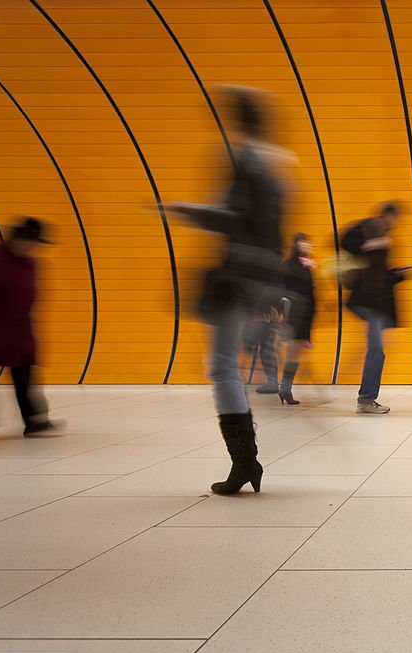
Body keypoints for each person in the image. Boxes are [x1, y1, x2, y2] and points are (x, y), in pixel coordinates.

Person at [165, 86, 287, 495]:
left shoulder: (241, 158)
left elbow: (232, 219)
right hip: (261, 276)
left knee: (221, 367)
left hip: (235, 276)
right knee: (232, 360)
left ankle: (245, 462)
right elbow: (274, 230)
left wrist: (185, 210)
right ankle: (245, 460)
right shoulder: (277, 166)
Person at [341, 202, 412, 414]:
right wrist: (370, 231)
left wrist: (402, 272)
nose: (395, 223)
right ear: (388, 215)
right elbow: (343, 239)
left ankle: (366, 398)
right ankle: (365, 400)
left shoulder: (381, 240)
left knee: (377, 351)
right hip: (368, 303)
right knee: (376, 351)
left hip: (373, 304)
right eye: (395, 218)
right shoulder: (371, 233)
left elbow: (381, 276)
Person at [0, 217, 62, 437]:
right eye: (30, 242)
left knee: (25, 374)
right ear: (17, 238)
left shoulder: (30, 263)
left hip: (18, 328)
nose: (33, 247)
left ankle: (35, 421)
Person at [278, 232, 317, 405]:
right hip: (294, 311)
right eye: (303, 243)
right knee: (293, 351)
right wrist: (281, 314)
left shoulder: (307, 265)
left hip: (305, 312)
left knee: (296, 353)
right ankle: (285, 388)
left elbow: (311, 292)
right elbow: (283, 289)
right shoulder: (288, 265)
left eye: (308, 243)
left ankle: (285, 388)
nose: (307, 246)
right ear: (296, 245)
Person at [243, 319, 279, 394]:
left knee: (266, 350)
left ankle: (272, 382)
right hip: (266, 317)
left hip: (261, 317)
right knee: (267, 349)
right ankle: (272, 382)